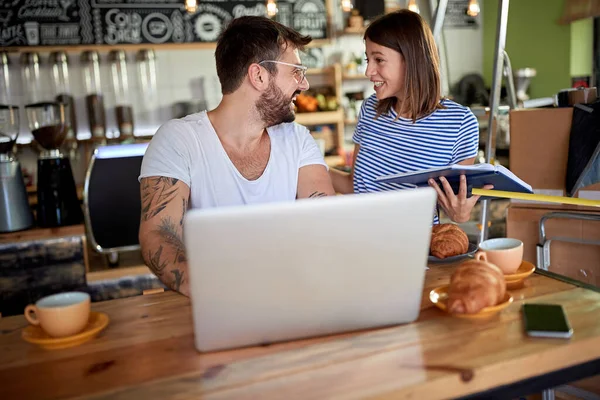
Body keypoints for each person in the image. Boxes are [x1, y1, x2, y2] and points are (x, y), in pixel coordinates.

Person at [138, 16, 335, 296]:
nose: (304, 85)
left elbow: (324, 221)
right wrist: (216, 291)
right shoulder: (178, 140)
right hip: (208, 307)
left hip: (291, 295)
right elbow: (158, 233)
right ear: (258, 76)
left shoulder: (298, 140)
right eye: (296, 71)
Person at [330, 10, 491, 224]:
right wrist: (303, 163)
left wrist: (460, 213)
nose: (369, 71)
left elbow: (454, 205)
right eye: (368, 59)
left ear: (411, 60)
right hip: (362, 239)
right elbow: (355, 185)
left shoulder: (459, 123)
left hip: (416, 246)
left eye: (379, 59)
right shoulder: (370, 109)